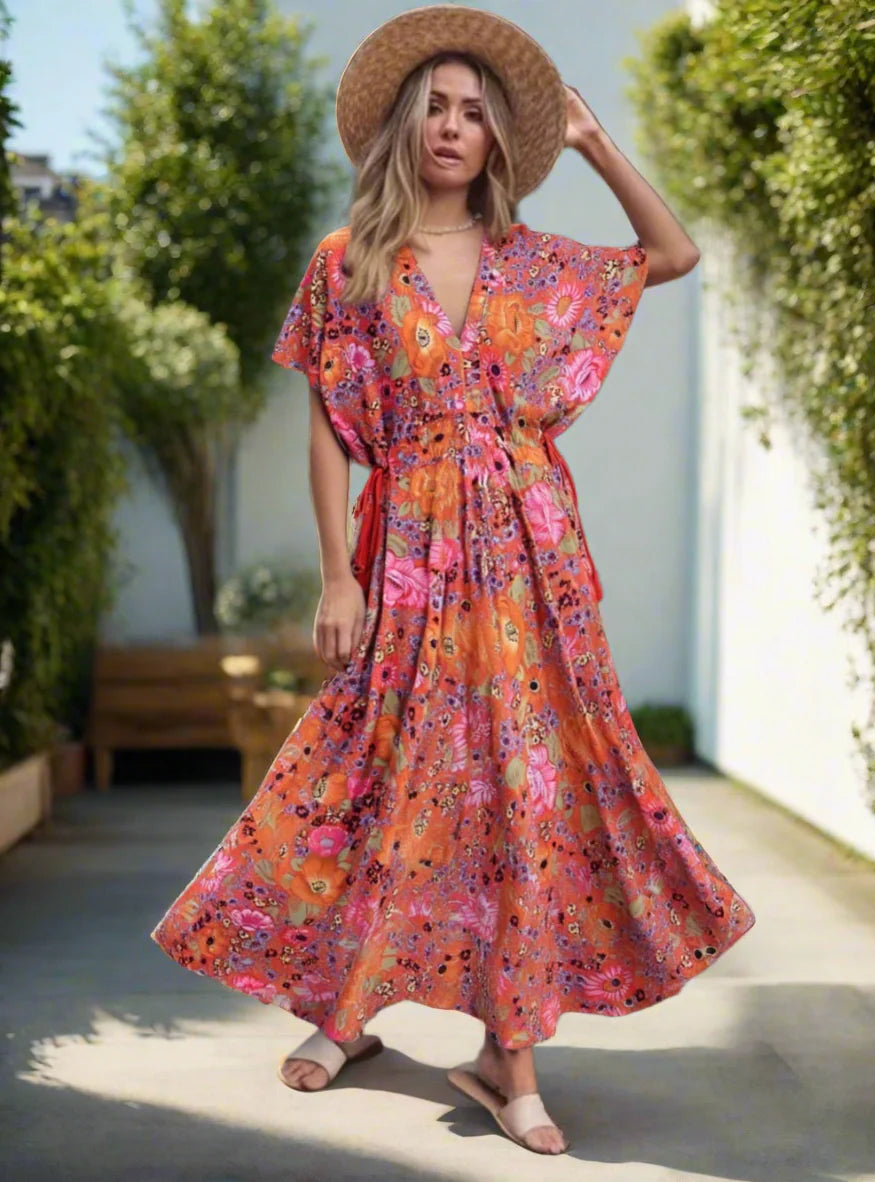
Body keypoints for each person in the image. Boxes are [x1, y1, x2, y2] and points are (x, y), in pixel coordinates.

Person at [150, 4, 756, 1157]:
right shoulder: (351, 263)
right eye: (434, 103)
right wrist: (339, 578)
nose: (451, 124)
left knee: (513, 788)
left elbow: (671, 256)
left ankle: (506, 1052)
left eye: (474, 112)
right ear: (400, 125)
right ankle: (345, 1008)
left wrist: (589, 141)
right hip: (410, 554)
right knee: (377, 768)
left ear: (495, 143)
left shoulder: (533, 262)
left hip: (530, 568)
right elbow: (329, 428)